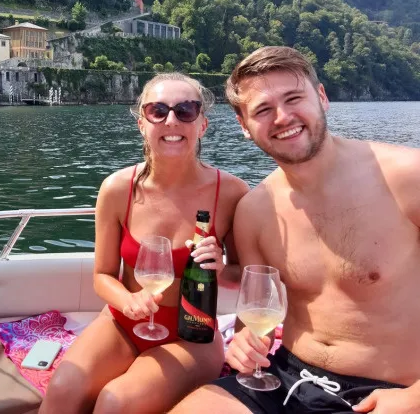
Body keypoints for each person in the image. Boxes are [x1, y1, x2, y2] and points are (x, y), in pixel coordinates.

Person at [170, 46, 420, 414]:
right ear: (244, 126)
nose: (283, 117)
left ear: (322, 98)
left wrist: (414, 398)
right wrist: (246, 344)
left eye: (293, 98)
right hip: (287, 378)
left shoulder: (408, 178)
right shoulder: (254, 211)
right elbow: (254, 317)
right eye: (263, 110)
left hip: (392, 392)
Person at [40, 73, 249, 413]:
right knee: (63, 389)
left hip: (192, 335)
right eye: (158, 110)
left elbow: (246, 276)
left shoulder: (231, 193)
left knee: (115, 402)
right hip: (123, 322)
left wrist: (222, 269)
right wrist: (127, 300)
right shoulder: (117, 189)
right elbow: (103, 276)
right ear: (142, 123)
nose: (171, 121)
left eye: (185, 110)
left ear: (202, 125)